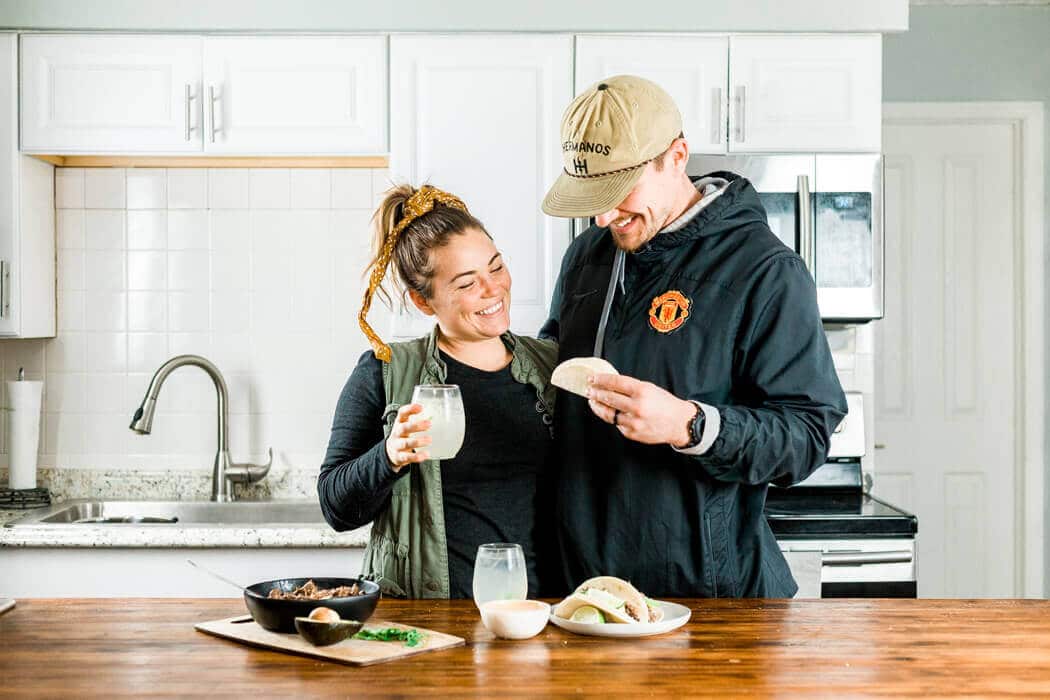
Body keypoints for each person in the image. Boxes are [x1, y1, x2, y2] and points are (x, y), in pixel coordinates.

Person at [539, 75, 847, 598]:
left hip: (707, 600)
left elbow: (806, 435)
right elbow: (554, 382)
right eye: (592, 196)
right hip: (583, 595)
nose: (603, 216)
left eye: (619, 191)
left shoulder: (766, 271)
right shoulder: (588, 256)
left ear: (676, 156)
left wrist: (690, 424)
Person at [318, 184, 557, 599]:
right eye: (467, 284)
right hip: (426, 619)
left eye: (496, 267)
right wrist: (389, 456)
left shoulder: (550, 365)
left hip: (540, 618)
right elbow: (336, 507)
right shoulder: (386, 371)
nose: (493, 289)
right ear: (423, 301)